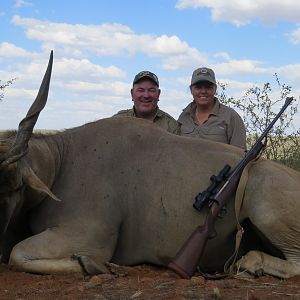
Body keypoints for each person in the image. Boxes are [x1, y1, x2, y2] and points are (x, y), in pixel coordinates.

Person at [178, 67, 246, 149]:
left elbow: (240, 154)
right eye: (198, 87)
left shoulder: (231, 117)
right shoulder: (183, 117)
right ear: (191, 90)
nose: (203, 91)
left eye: (208, 87)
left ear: (215, 89)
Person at [114, 71, 180, 135]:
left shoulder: (171, 126)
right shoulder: (116, 121)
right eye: (141, 90)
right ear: (132, 94)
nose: (146, 95)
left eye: (151, 90)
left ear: (158, 94)